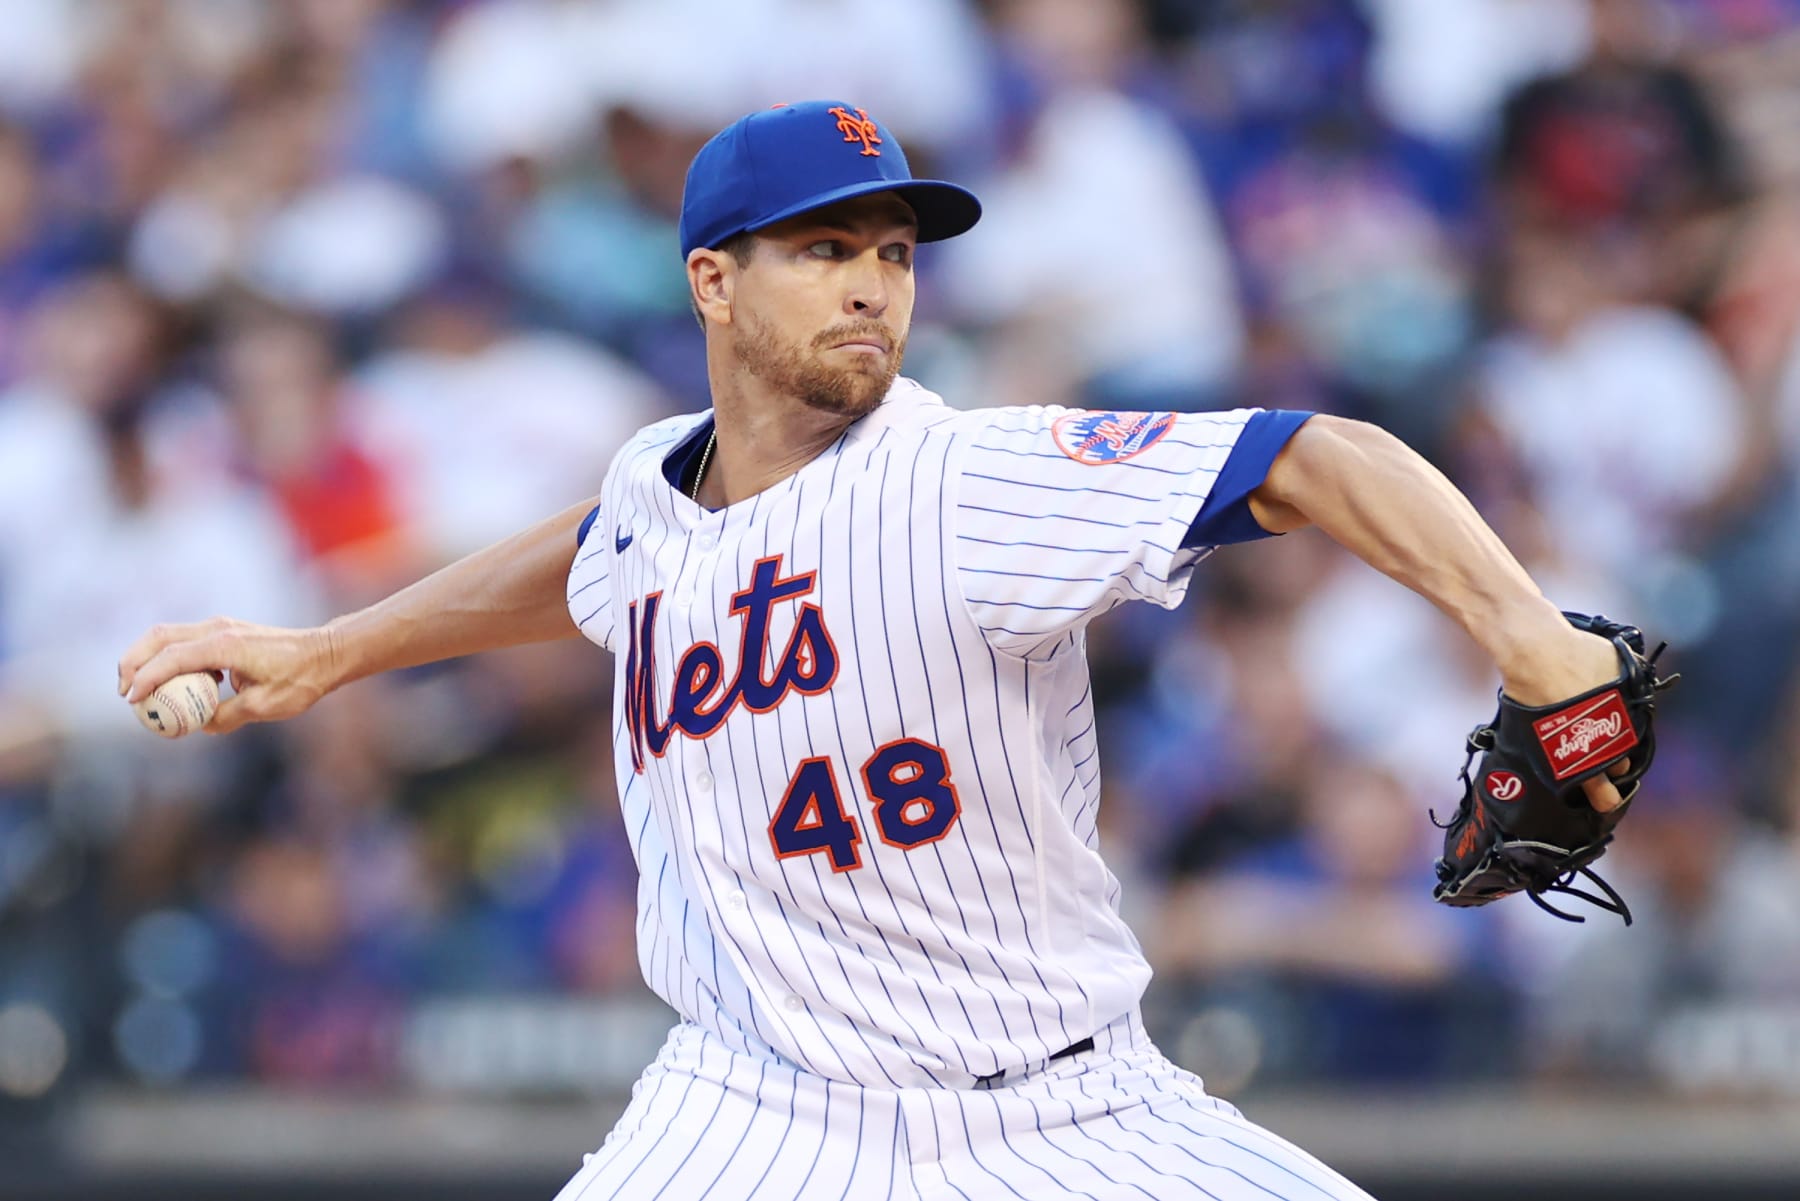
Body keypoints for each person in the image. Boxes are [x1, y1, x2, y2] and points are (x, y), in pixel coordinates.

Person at [120, 100, 1629, 1200]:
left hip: (1062, 1117)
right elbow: (593, 552)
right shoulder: (657, 484)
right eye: (825, 247)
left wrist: (1532, 635)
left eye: (894, 252)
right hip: (750, 1113)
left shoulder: (968, 478)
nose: (872, 283)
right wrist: (332, 649)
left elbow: (1317, 454)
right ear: (712, 281)